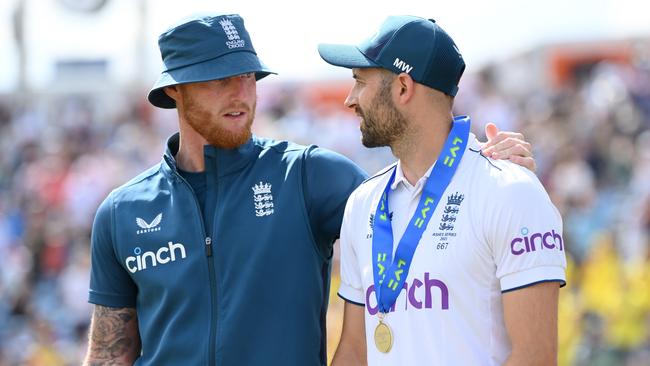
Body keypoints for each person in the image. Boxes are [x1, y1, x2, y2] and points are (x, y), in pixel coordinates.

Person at [83, 14, 536, 366]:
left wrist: (481, 167)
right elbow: (109, 353)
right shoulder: (121, 213)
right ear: (176, 90)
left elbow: (422, 202)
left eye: (248, 76)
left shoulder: (307, 175)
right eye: (221, 80)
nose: (241, 93)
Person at [318, 15, 567, 365]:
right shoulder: (364, 202)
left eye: (360, 82)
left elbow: (535, 357)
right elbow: (356, 353)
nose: (349, 99)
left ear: (403, 88)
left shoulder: (511, 191)